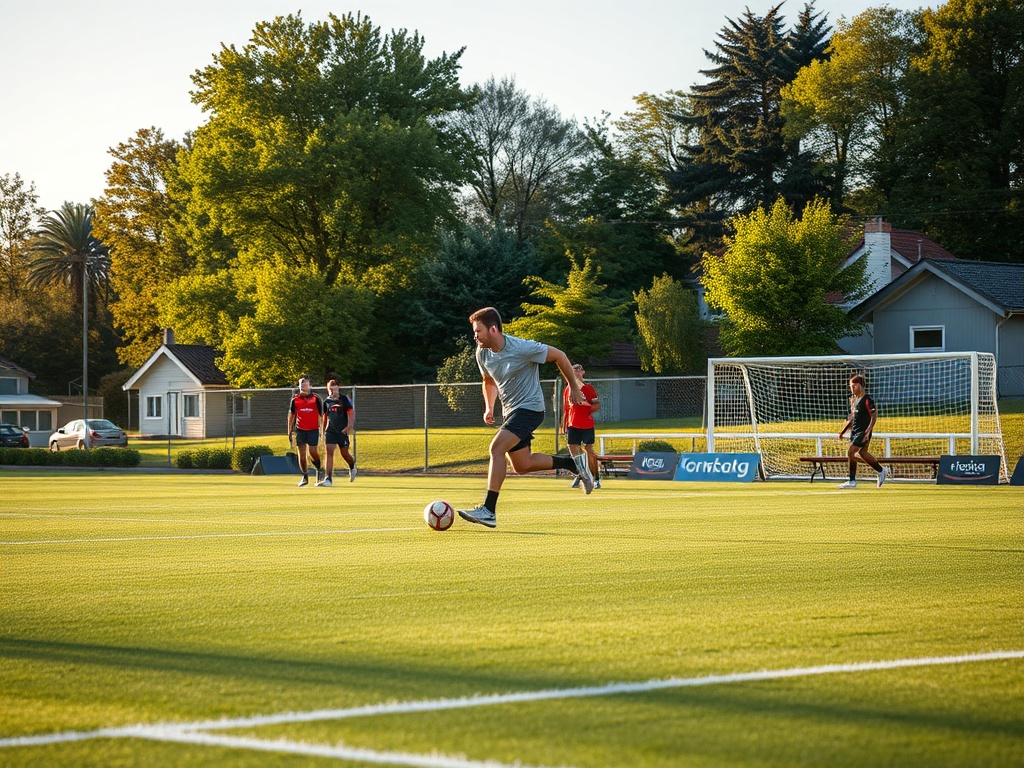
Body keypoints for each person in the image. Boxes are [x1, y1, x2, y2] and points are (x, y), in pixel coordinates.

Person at [458, 307, 594, 529]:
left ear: (493, 329)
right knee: (522, 465)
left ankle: (488, 510)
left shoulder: (522, 347)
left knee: (496, 448)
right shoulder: (482, 352)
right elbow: (488, 380)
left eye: (478, 331)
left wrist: (574, 387)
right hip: (511, 412)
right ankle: (572, 464)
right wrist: (489, 406)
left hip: (530, 409)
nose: (475, 336)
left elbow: (559, 355)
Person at [838, 374, 887, 489]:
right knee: (862, 454)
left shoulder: (867, 400)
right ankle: (881, 470)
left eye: (854, 386)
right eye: (851, 386)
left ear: (860, 385)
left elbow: (873, 416)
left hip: (863, 432)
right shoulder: (854, 400)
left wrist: (868, 431)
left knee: (851, 452)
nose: (852, 389)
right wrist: (843, 431)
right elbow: (853, 418)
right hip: (855, 432)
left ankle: (852, 481)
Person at [563, 363, 601, 490]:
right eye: (574, 370)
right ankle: (581, 474)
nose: (577, 372)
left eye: (579, 370)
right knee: (574, 449)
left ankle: (596, 478)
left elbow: (596, 405)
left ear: (583, 373)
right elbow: (566, 409)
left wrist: (586, 406)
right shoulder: (568, 389)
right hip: (572, 424)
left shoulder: (588, 388)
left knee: (589, 450)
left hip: (586, 424)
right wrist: (565, 425)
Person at [287, 376, 323, 487]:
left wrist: (322, 429)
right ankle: (305, 476)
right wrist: (289, 431)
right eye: (301, 384)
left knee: (313, 452)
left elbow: (321, 415)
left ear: (310, 386)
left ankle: (319, 469)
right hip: (300, 430)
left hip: (313, 430)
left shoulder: (316, 398)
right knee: (301, 456)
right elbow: (291, 416)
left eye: (305, 383)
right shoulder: (295, 400)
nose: (303, 386)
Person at [319, 379, 356, 486]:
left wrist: (349, 426)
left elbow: (351, 412)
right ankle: (328, 478)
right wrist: (323, 431)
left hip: (342, 431)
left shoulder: (344, 399)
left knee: (345, 453)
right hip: (330, 430)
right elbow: (325, 417)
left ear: (338, 388)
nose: (333, 392)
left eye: (334, 389)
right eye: (330, 389)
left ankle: (352, 466)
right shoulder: (326, 402)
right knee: (329, 451)